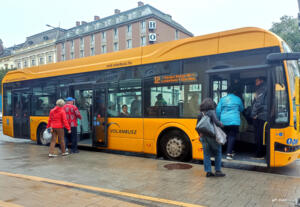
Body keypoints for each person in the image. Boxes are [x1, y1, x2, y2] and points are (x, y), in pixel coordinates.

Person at [197, 98, 225, 177]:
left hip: (203, 136)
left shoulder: (200, 114)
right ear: (211, 105)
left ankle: (208, 171)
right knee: (218, 152)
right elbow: (216, 122)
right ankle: (218, 171)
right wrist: (222, 124)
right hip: (212, 136)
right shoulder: (212, 112)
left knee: (206, 154)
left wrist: (200, 134)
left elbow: (197, 126)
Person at [216, 86, 244, 160]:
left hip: (224, 121)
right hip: (234, 121)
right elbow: (241, 109)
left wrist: (218, 120)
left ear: (227, 92)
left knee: (224, 136)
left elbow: (218, 111)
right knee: (232, 136)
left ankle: (222, 151)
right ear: (234, 92)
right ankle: (229, 153)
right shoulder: (238, 99)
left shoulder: (222, 99)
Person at [251, 77, 267, 158]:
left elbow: (258, 103)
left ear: (261, 80)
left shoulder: (262, 88)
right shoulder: (265, 87)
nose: (255, 82)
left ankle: (259, 153)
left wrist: (253, 114)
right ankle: (261, 152)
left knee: (258, 135)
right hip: (263, 115)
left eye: (256, 81)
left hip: (260, 115)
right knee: (262, 135)